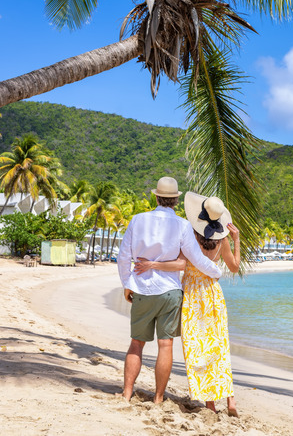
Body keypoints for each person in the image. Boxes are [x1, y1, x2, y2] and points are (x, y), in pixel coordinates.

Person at [116, 177, 223, 404]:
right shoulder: (182, 225)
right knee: (166, 345)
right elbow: (196, 258)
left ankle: (126, 393)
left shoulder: (137, 219)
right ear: (175, 200)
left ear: (156, 196)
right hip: (169, 292)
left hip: (142, 290)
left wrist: (127, 284)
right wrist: (217, 272)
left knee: (136, 343)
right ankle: (158, 397)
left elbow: (123, 257)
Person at [134, 192, 240, 417]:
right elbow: (234, 268)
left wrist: (153, 264)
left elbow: (180, 264)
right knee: (219, 346)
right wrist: (237, 240)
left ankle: (210, 404)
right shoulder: (223, 242)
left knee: (198, 349)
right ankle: (230, 400)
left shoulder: (190, 236)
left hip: (192, 297)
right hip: (212, 296)